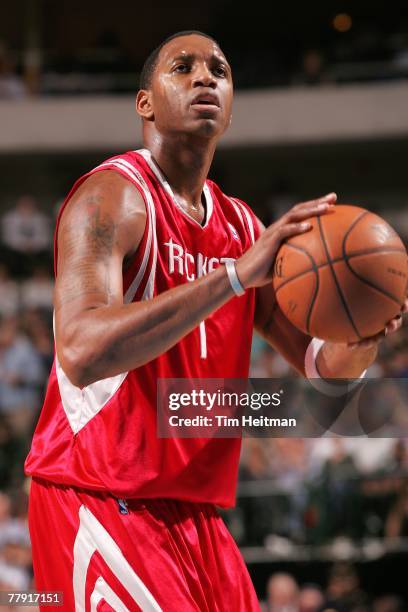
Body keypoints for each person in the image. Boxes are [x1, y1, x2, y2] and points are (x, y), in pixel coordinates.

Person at [24, 30, 407, 611]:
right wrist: (230, 277)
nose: (206, 77)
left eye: (220, 70)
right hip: (102, 496)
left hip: (198, 518)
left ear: (229, 109)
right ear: (144, 102)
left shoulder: (242, 226)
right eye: (183, 67)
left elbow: (322, 371)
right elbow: (79, 351)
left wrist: (361, 337)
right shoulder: (111, 197)